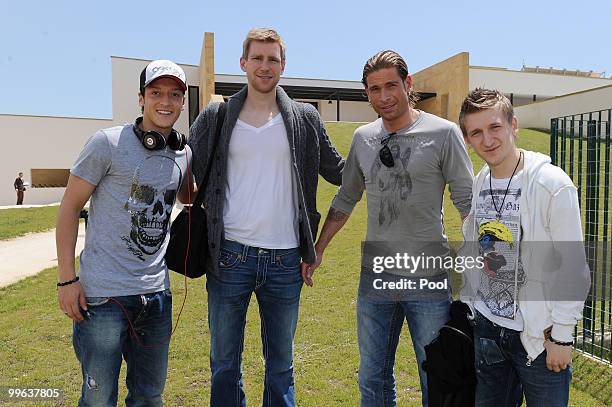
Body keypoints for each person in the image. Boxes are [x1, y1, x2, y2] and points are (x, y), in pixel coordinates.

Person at [302, 50, 474, 407]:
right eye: (374, 89)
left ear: (408, 84)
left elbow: (468, 202)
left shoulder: (444, 134)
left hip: (428, 274)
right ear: (366, 92)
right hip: (376, 275)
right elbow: (345, 198)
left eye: (391, 86)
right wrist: (319, 250)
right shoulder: (363, 138)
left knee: (437, 373)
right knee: (372, 376)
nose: (384, 96)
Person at [188, 28, 344, 407]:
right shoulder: (218, 114)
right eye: (257, 58)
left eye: (273, 59)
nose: (265, 65)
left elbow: (340, 172)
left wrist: (385, 142)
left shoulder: (305, 117)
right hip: (229, 256)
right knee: (224, 363)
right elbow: (182, 165)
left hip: (286, 260)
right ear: (243, 63)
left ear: (283, 65)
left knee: (281, 365)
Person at [56, 59, 193, 406]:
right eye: (156, 92)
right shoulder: (106, 143)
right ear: (141, 99)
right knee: (99, 399)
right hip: (103, 299)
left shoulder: (183, 152)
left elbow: (186, 196)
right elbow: (69, 209)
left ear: (182, 102)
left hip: (156, 298)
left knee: (149, 396)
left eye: (175, 94)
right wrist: (66, 279)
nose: (166, 101)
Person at [458, 88, 590, 406]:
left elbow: (573, 267)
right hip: (489, 328)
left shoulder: (552, 185)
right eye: (476, 132)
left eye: (494, 127)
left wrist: (561, 334)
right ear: (467, 139)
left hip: (539, 338)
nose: (487, 140)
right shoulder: (481, 180)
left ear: (513, 125)